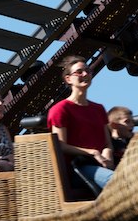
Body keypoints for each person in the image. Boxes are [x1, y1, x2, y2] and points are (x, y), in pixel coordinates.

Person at [47, 55, 114, 190]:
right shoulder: (60, 109)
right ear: (68, 79)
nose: (85, 74)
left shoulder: (98, 109)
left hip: (100, 165)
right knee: (115, 181)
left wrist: (108, 154)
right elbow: (61, 145)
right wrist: (93, 153)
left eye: (88, 71)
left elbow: (107, 143)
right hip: (78, 168)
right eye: (79, 72)